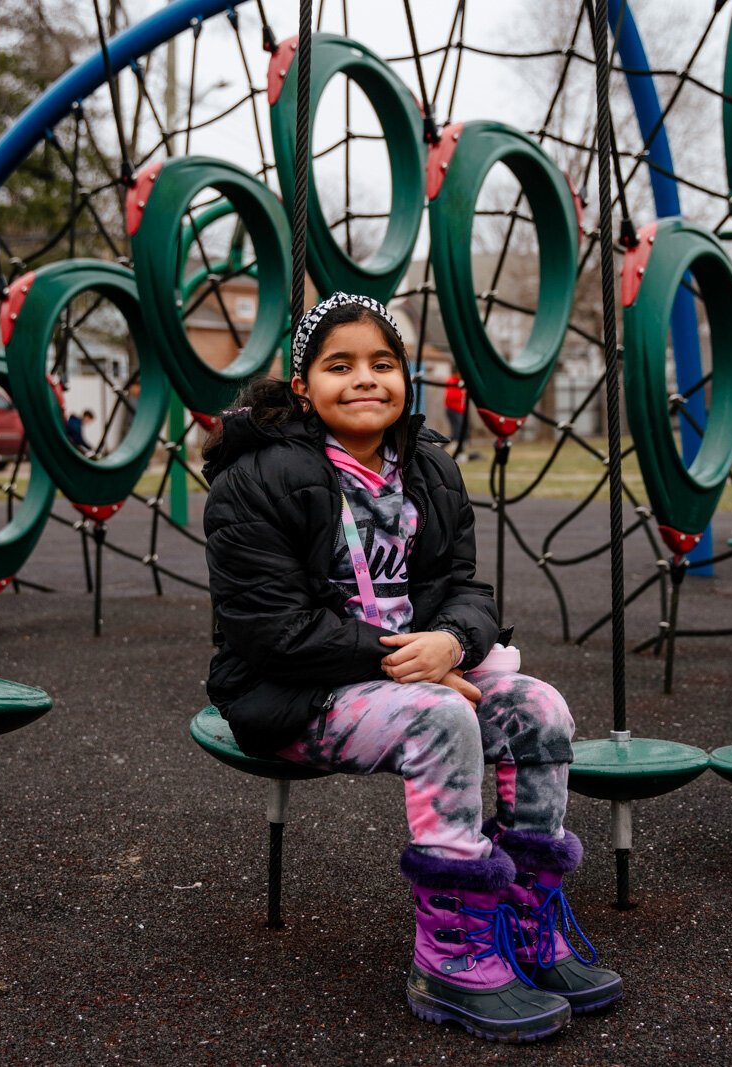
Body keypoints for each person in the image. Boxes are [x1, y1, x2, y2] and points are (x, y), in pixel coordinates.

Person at [202, 293, 619, 1043]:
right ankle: (452, 955)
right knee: (442, 716)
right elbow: (269, 631)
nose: (365, 379)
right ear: (303, 387)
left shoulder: (426, 469)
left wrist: (452, 643)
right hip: (298, 693)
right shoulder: (257, 478)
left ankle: (525, 921)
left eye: (382, 363)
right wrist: (404, 662)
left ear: (405, 378)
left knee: (539, 707)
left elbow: (468, 589)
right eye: (340, 365)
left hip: (421, 672)